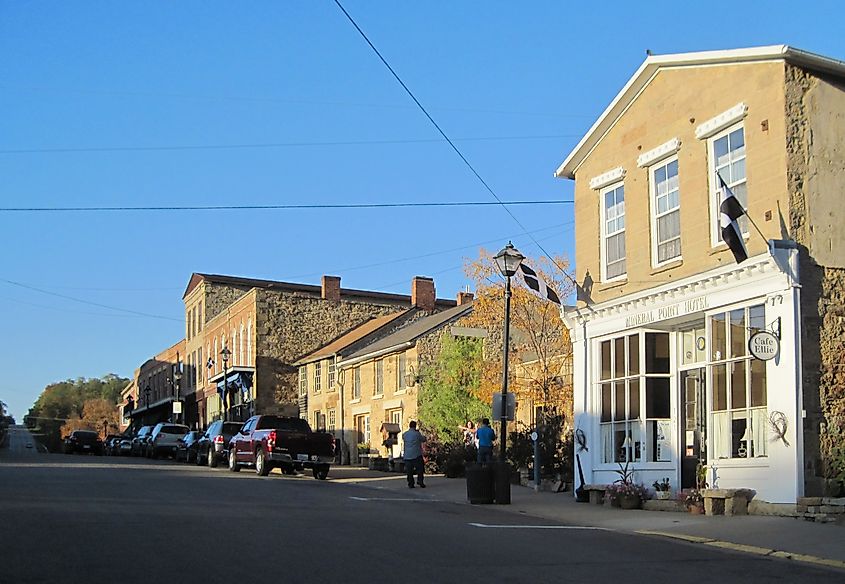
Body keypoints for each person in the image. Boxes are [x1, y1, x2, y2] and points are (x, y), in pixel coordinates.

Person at [402, 420, 427, 488]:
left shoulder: (405, 434)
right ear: (415, 426)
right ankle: (420, 481)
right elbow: (423, 439)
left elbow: (404, 439)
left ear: (409, 426)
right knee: (420, 469)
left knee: (409, 471)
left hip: (407, 455)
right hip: (416, 455)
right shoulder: (417, 434)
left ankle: (411, 483)